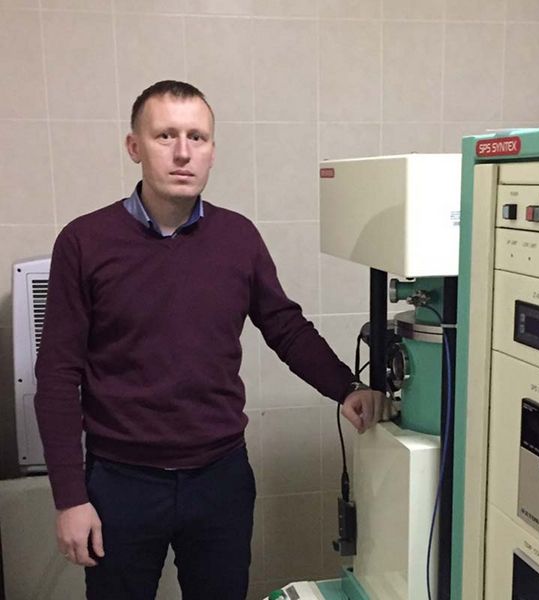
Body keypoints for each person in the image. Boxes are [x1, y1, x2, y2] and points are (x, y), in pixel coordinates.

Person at [34, 80, 384, 600]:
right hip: (121, 483)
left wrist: (346, 387)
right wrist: (69, 497)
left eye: (196, 137)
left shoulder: (237, 237)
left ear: (212, 151)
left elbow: (284, 326)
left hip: (220, 478)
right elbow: (57, 375)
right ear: (134, 146)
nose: (182, 152)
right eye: (165, 136)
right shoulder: (84, 242)